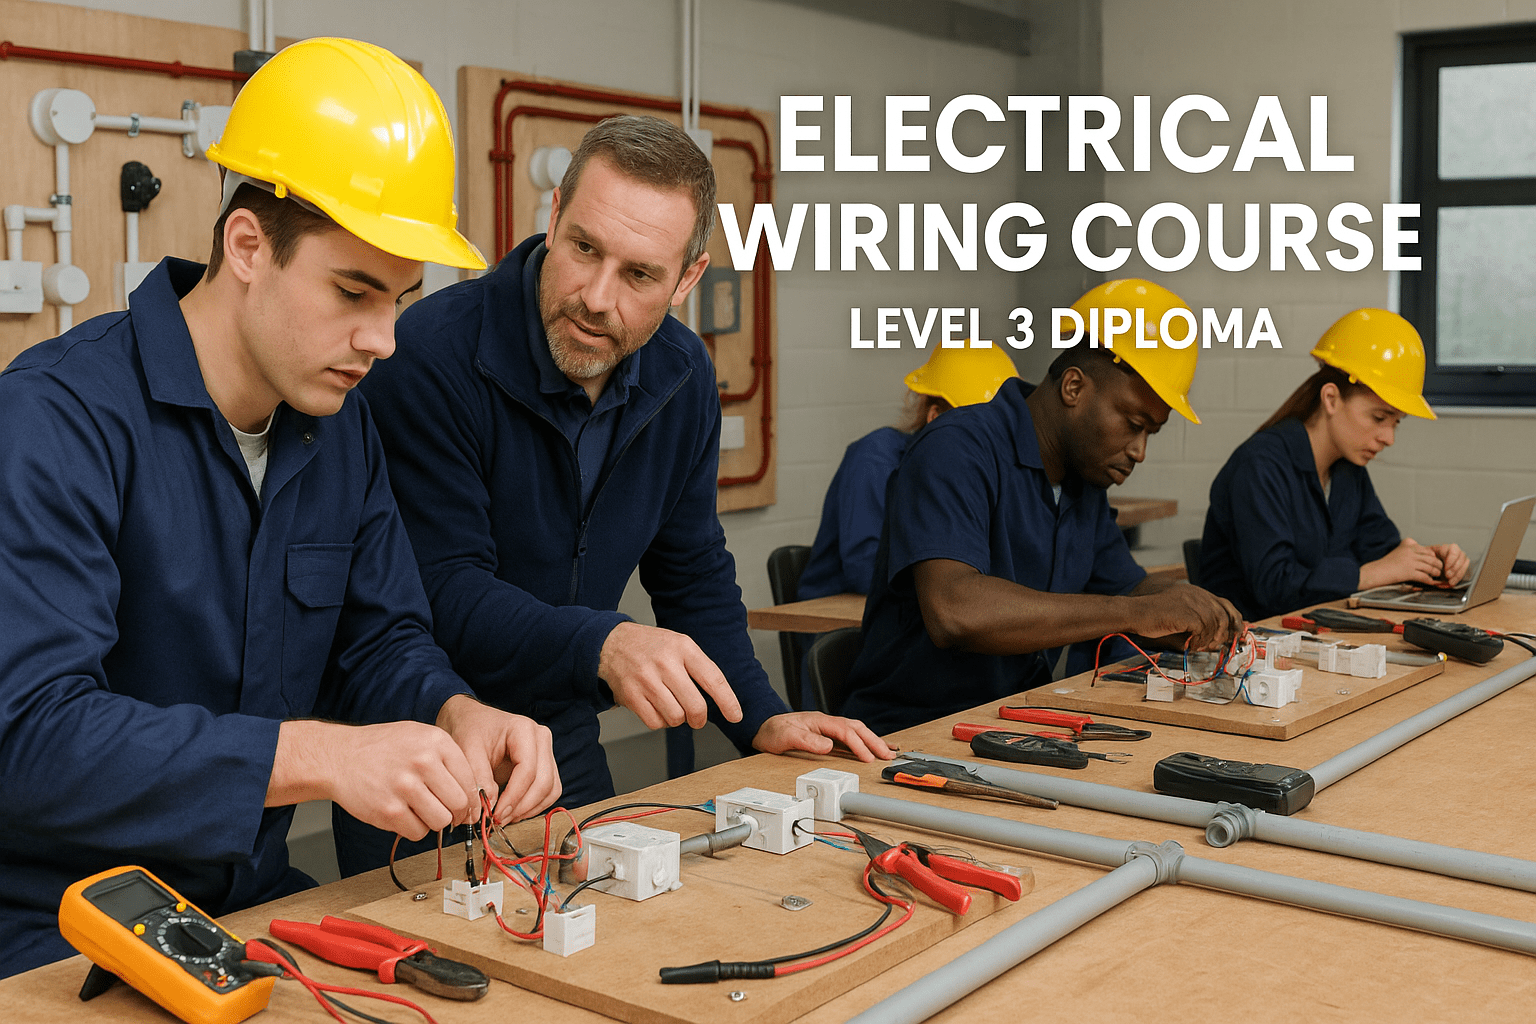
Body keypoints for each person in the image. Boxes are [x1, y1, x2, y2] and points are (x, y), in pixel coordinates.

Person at [0, 39, 561, 978]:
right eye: (353, 293)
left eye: (401, 300)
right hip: (51, 934)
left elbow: (380, 644)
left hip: (250, 909)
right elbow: (30, 737)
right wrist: (317, 758)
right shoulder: (55, 419)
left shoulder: (339, 426)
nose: (383, 339)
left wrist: (454, 713)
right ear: (247, 246)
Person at [343, 114, 893, 872]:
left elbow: (692, 570)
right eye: (584, 248)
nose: (597, 297)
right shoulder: (432, 357)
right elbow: (441, 588)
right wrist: (605, 642)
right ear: (556, 211)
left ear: (687, 279)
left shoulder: (683, 377)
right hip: (428, 746)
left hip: (564, 733)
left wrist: (760, 717)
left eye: (639, 275)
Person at [841, 279, 1244, 735]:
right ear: (1073, 387)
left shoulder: (1082, 482)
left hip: (1013, 723)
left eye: (1151, 432)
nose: (1140, 451)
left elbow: (1128, 588)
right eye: (1133, 424)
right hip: (908, 735)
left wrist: (1195, 610)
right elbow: (955, 610)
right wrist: (1137, 614)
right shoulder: (956, 449)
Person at [1200, 308, 1468, 621]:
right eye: (1379, 418)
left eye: (1397, 423)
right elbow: (1274, 588)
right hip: (1253, 650)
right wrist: (1370, 575)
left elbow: (1382, 555)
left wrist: (1431, 562)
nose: (1388, 438)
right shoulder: (1260, 465)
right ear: (1331, 399)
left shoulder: (1348, 470)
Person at [798, 345, 1021, 603]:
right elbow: (863, 569)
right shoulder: (875, 459)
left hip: (918, 617)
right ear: (934, 416)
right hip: (838, 628)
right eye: (977, 427)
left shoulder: (977, 475)